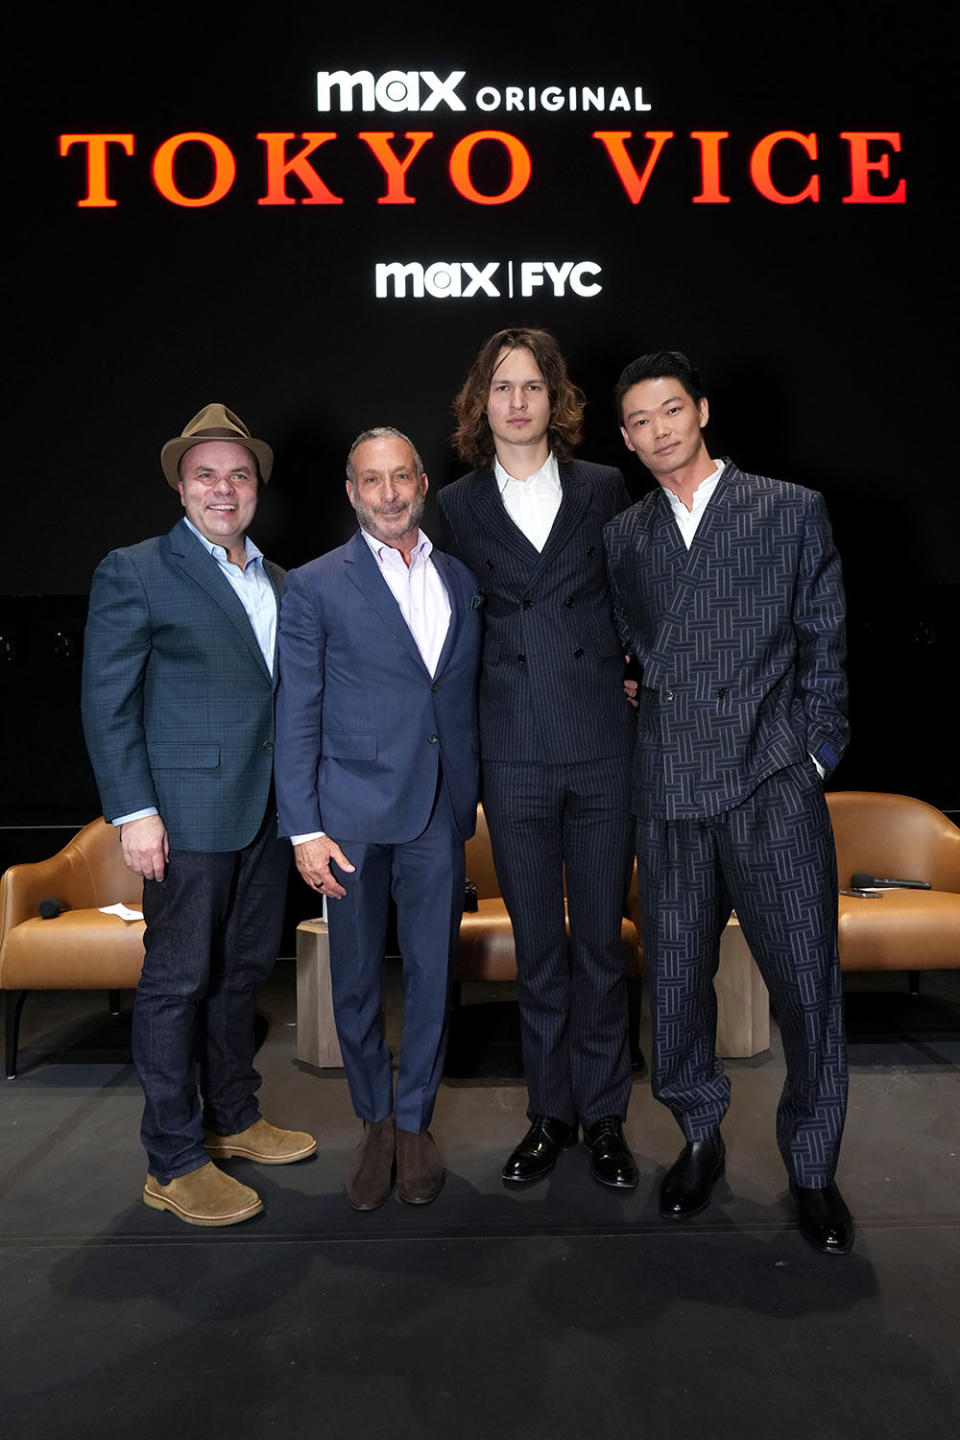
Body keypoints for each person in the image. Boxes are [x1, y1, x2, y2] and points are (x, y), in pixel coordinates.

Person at [603, 351, 853, 1253]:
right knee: (673, 982)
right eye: (638, 421)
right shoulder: (625, 535)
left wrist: (813, 756)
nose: (658, 431)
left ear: (701, 410)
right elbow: (631, 643)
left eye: (670, 410)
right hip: (669, 786)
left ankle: (814, 1169)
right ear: (626, 437)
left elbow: (825, 640)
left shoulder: (787, 508)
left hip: (770, 780)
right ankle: (699, 1137)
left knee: (806, 984)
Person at [81, 402, 316, 1228]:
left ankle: (234, 1118)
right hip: (181, 818)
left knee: (242, 974)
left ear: (258, 488)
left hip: (263, 816)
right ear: (182, 488)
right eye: (206, 475)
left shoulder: (283, 581)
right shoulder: (135, 569)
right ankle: (173, 1158)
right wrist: (135, 813)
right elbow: (106, 703)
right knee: (176, 983)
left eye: (239, 475)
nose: (224, 488)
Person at [438, 328, 638, 1191]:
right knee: (539, 950)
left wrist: (639, 676)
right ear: (481, 404)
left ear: (557, 400)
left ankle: (605, 1119)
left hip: (601, 748)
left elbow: (637, 597)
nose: (517, 402)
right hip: (512, 754)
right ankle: (548, 1115)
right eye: (501, 388)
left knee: (598, 944)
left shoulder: (604, 487)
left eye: (532, 386)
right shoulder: (453, 505)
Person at [274, 427, 481, 1211]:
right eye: (371, 480)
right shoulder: (317, 585)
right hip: (348, 817)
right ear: (351, 490)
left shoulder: (460, 578)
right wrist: (304, 828)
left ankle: (416, 1120)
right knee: (356, 980)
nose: (388, 493)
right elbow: (297, 710)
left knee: (433, 976)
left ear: (422, 484)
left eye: (400, 477)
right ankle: (373, 1120)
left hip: (438, 808)